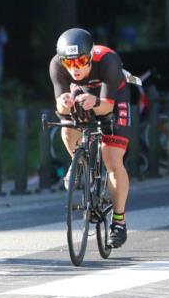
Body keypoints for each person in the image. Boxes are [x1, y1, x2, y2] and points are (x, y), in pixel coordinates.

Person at [49, 27, 130, 248]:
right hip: (81, 96)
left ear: (90, 56)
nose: (74, 68)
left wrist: (93, 102)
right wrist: (64, 101)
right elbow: (59, 106)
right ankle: (79, 164)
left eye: (80, 61)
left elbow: (106, 107)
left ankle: (119, 221)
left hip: (111, 98)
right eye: (69, 63)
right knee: (67, 128)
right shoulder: (57, 64)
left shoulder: (108, 61)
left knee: (112, 159)